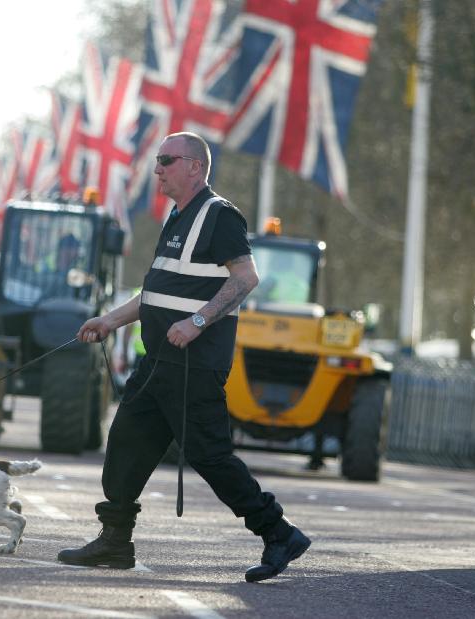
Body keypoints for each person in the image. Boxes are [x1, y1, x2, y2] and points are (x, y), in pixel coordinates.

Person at [58, 132, 311, 582]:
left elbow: (246, 278)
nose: (157, 169)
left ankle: (278, 532)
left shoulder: (220, 215)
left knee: (211, 458)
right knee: (125, 443)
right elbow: (155, 294)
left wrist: (197, 321)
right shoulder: (177, 217)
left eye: (167, 160)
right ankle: (115, 541)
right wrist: (109, 321)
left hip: (194, 367)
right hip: (158, 363)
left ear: (195, 167)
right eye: (158, 161)